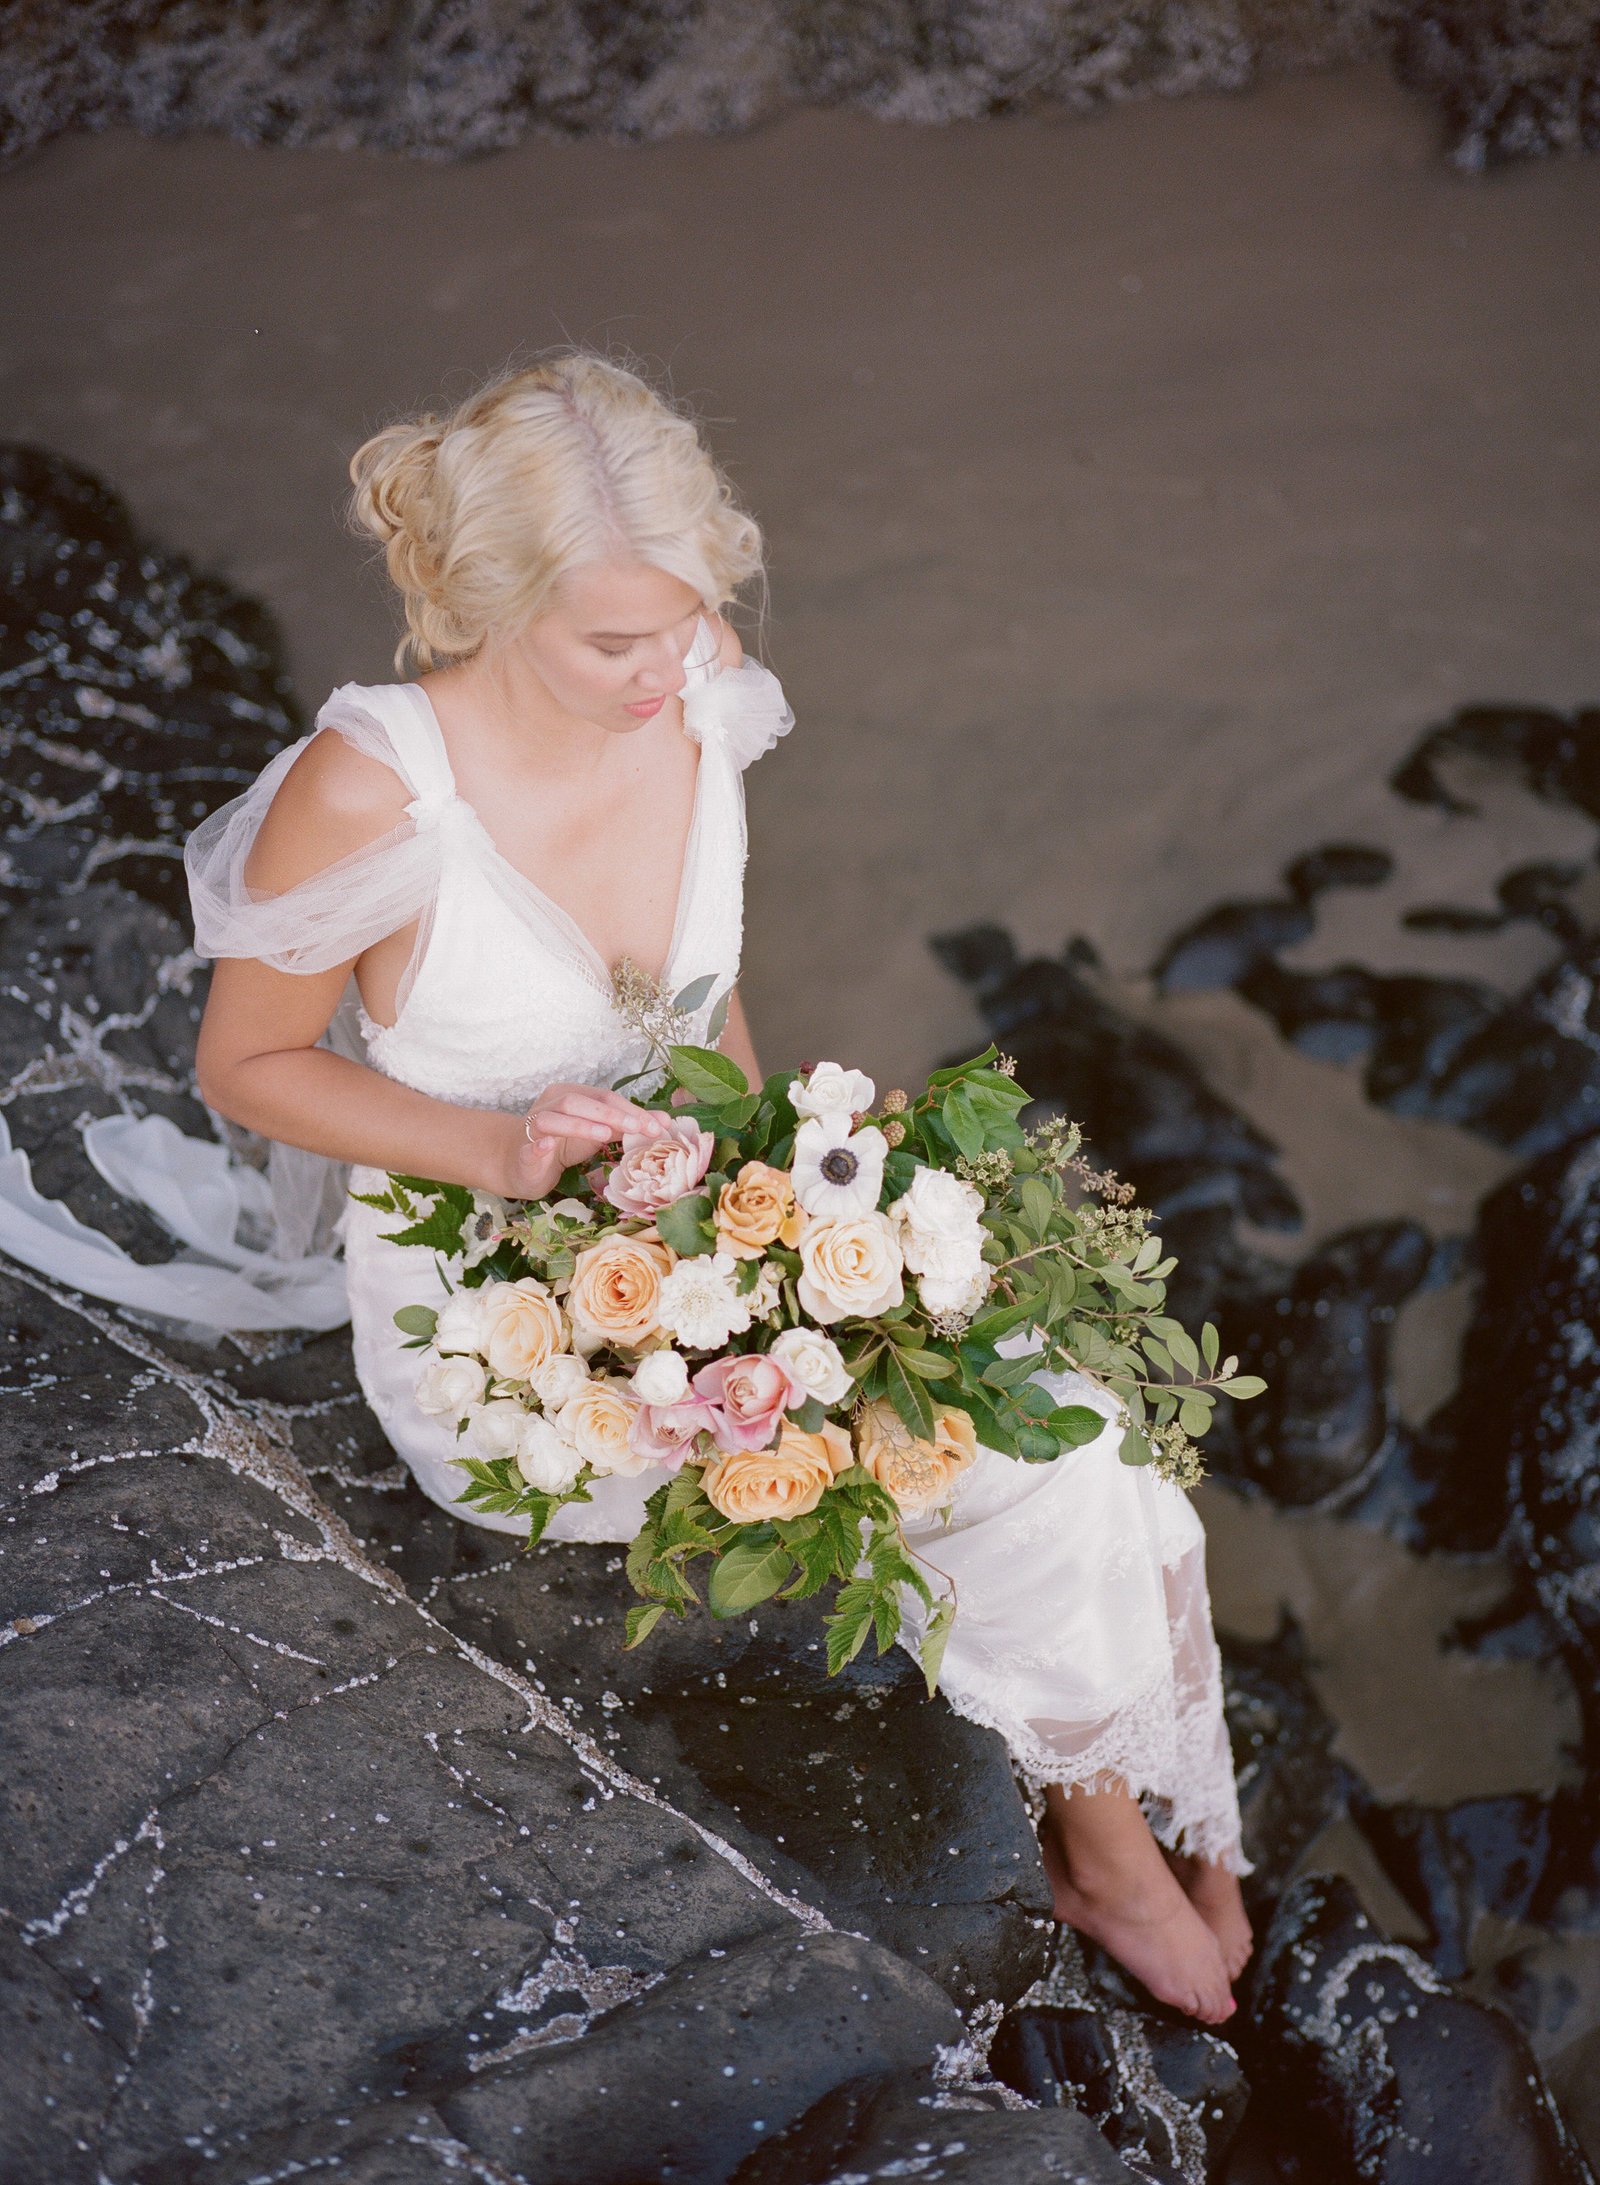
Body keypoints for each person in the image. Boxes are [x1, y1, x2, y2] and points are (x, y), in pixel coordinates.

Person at [188, 352, 1252, 2022]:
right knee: (1016, 1466)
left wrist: (795, 1207)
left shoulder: (695, 685)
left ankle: (1143, 1791)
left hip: (710, 1212)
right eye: (613, 637)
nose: (663, 666)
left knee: (1083, 1408)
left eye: (682, 615)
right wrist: (497, 1146)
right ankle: (1112, 1856)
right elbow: (243, 1066)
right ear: (488, 601)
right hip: (514, 1324)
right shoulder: (375, 794)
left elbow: (708, 1004)